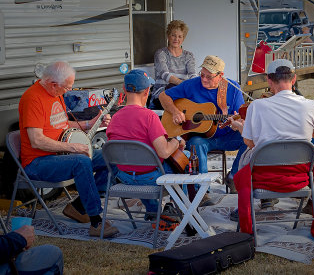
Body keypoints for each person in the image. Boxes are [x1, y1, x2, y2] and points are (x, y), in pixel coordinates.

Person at [228, 59, 314, 241]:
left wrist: (239, 126)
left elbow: (250, 143)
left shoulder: (257, 106)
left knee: (244, 165)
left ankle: (247, 229)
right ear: (294, 79)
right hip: (299, 177)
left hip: (263, 178)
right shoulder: (311, 106)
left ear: (269, 80)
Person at [18, 61, 118, 238]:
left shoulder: (55, 93)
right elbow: (36, 140)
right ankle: (96, 220)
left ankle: (79, 207)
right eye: (66, 88)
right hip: (37, 162)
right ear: (53, 84)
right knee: (81, 161)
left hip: (59, 154)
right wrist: (72, 147)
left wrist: (90, 124)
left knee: (110, 157)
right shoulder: (32, 98)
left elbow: (63, 125)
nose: (68, 91)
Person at [159, 55, 248, 200]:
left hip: (227, 136)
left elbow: (241, 116)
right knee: (195, 143)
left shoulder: (233, 88)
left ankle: (233, 176)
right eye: (202, 75)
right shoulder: (191, 84)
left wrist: (237, 124)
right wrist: (175, 112)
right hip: (203, 139)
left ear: (220, 76)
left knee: (250, 137)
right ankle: (201, 191)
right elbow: (163, 96)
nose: (204, 80)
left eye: (209, 77)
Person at [106, 69, 186, 230]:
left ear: (124, 89)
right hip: (151, 179)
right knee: (183, 159)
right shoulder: (149, 117)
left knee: (140, 165)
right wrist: (177, 142)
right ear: (147, 91)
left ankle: (152, 210)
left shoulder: (115, 118)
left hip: (124, 177)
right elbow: (163, 152)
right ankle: (174, 209)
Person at [149, 20, 197, 109]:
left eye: (180, 36)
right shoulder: (161, 53)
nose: (176, 39)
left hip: (181, 93)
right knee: (171, 87)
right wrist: (183, 84)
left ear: (183, 38)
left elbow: (193, 74)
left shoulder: (188, 55)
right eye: (173, 35)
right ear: (168, 36)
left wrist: (194, 85)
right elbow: (165, 75)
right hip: (162, 94)